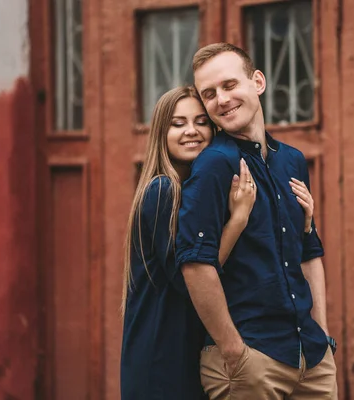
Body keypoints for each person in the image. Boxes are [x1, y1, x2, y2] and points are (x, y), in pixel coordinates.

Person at [175, 43, 338, 399]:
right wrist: (233, 350)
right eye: (209, 94)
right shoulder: (214, 165)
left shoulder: (292, 161)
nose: (221, 99)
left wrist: (322, 335)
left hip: (310, 357)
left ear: (258, 82)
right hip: (251, 360)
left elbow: (308, 251)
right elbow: (195, 264)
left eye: (229, 85)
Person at [120, 86, 259, 399]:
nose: (192, 131)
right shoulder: (162, 191)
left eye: (201, 122)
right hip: (162, 360)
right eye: (178, 124)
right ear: (161, 133)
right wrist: (237, 221)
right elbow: (189, 280)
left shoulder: (196, 192)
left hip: (187, 351)